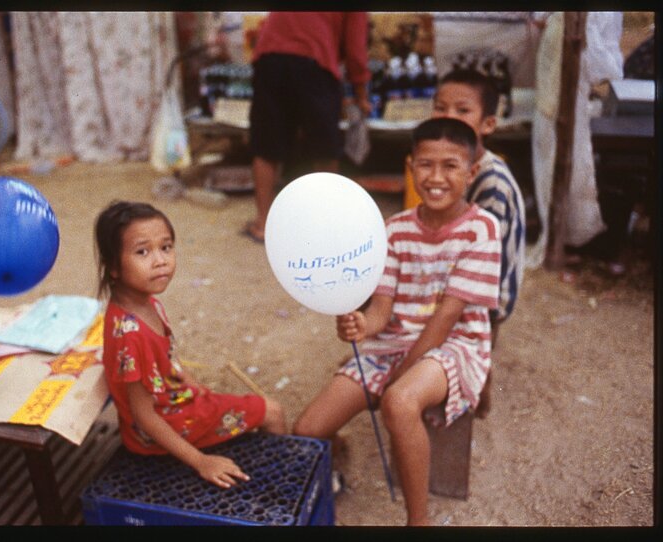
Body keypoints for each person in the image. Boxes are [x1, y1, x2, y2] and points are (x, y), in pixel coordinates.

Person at [293, 118, 501, 526]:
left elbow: (446, 318)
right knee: (307, 429)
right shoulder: (394, 230)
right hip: (392, 344)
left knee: (400, 401)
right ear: (410, 166)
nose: (436, 177)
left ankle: (417, 521)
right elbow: (381, 311)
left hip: (453, 345)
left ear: (472, 172)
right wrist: (360, 326)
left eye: (450, 166)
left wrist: (397, 379)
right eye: (425, 165)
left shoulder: (482, 229)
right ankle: (338, 452)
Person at [94, 201, 286, 489]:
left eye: (166, 247)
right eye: (142, 251)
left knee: (240, 407)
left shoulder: (146, 303)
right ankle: (278, 488)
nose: (160, 260)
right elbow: (144, 416)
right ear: (113, 268)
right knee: (272, 412)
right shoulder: (131, 335)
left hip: (173, 402)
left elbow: (162, 362)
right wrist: (201, 462)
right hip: (165, 425)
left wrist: (186, 378)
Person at [430, 68, 527, 415]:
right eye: (440, 108)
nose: (448, 118)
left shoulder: (492, 181)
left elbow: (486, 258)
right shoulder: (446, 165)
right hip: (460, 271)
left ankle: (476, 397)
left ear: (487, 124)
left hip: (488, 286)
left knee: (476, 348)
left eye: (462, 110)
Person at [243, 11, 371, 243]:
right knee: (324, 150)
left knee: (267, 146)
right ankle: (323, 226)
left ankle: (263, 223)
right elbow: (356, 50)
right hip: (315, 62)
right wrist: (361, 94)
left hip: (270, 58)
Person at [526, 12, 624, 270]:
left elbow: (605, 66)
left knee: (576, 165)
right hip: (550, 80)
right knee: (548, 160)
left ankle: (572, 239)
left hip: (574, 88)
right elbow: (538, 19)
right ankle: (555, 237)